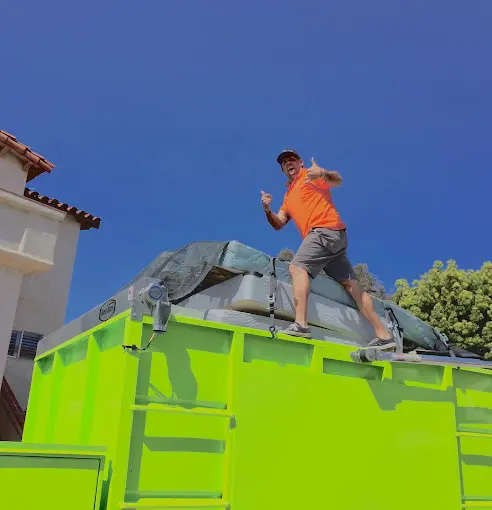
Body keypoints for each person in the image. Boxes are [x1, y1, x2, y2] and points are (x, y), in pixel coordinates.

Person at [261, 148, 395, 349]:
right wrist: (267, 210)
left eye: (292, 159)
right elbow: (279, 223)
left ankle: (301, 325)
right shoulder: (288, 197)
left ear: (300, 162)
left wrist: (322, 173)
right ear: (282, 168)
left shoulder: (310, 175)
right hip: (333, 240)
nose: (289, 162)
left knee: (297, 268)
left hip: (324, 230)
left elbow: (337, 180)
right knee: (352, 286)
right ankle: (384, 335)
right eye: (284, 161)